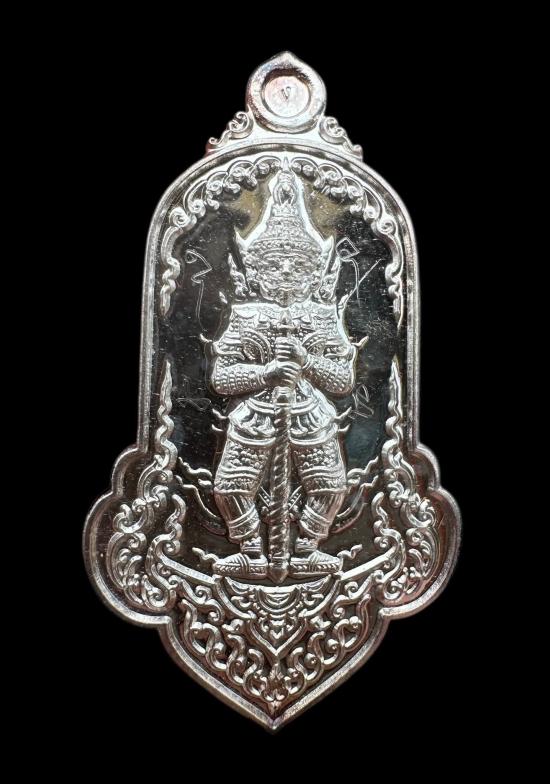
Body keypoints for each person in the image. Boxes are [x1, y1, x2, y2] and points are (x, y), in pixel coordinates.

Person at [210, 162, 356, 580]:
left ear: (313, 272)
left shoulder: (322, 316)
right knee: (230, 489)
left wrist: (307, 362)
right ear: (256, 270)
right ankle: (251, 550)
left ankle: (307, 548)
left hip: (311, 415)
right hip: (254, 416)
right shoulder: (246, 315)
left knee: (330, 487)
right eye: (275, 265)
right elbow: (221, 379)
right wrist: (266, 374)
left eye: (297, 266)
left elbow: (343, 381)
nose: (287, 272)